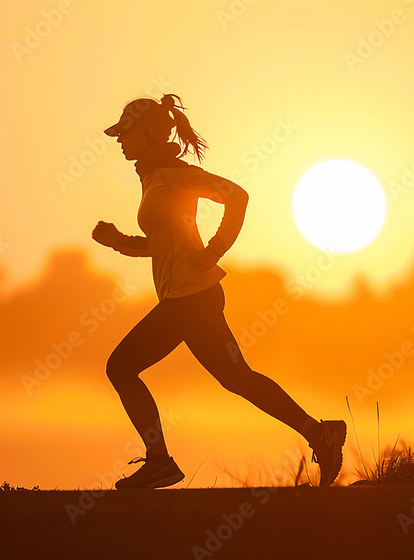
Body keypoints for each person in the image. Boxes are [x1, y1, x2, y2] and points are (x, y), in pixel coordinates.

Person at [92, 93, 346, 490]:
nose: (119, 140)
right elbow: (159, 244)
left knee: (120, 367)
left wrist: (214, 250)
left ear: (149, 134)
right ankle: (320, 434)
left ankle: (160, 462)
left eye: (125, 132)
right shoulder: (156, 178)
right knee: (237, 379)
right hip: (191, 297)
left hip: (190, 299)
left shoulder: (174, 175)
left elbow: (237, 196)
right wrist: (118, 241)